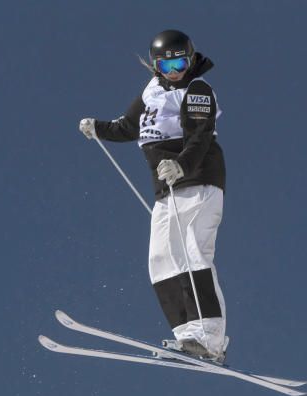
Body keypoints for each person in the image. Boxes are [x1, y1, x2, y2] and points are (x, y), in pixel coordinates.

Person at [79, 29, 227, 361]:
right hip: (166, 189)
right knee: (161, 259)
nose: (175, 69)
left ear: (191, 59)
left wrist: (181, 165)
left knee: (193, 253)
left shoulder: (197, 89)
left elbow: (201, 136)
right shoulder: (152, 92)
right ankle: (189, 336)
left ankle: (211, 339)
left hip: (198, 180)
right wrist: (98, 128)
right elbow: (128, 127)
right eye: (167, 63)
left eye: (181, 61)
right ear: (155, 65)